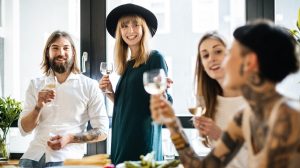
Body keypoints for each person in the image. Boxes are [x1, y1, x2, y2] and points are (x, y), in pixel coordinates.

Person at [150, 19, 300, 168]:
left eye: (229, 55)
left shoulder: (291, 118)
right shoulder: (244, 117)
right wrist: (172, 123)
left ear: (249, 63)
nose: (222, 63)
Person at [18, 30, 109, 167]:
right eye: (55, 48)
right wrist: (38, 107)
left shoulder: (89, 86)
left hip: (66, 159)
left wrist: (70, 138)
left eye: (65, 48)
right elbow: (24, 129)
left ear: (73, 51)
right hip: (32, 157)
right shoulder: (35, 84)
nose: (61, 53)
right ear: (48, 52)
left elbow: (102, 131)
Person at [100, 3, 171, 164]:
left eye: (135, 25)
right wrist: (110, 92)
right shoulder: (127, 65)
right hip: (122, 136)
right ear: (120, 32)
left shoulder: (155, 58)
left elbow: (162, 103)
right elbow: (127, 105)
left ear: (143, 29)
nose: (130, 30)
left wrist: (164, 94)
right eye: (124, 26)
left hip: (142, 138)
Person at [192, 31, 248, 167]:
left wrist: (220, 135)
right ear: (203, 67)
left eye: (218, 51)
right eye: (205, 55)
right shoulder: (210, 104)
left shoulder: (252, 100)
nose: (211, 58)